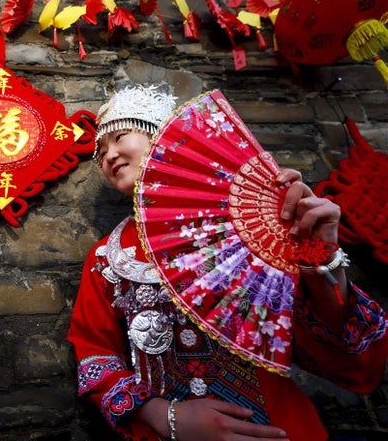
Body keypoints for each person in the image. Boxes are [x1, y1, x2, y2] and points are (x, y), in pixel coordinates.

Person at [67, 84, 388, 441]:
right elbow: (95, 356)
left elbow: (347, 353)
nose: (109, 155)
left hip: (279, 426)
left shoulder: (252, 221)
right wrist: (165, 416)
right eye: (101, 151)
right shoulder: (107, 256)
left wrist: (319, 258)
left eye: (120, 136)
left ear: (163, 136)